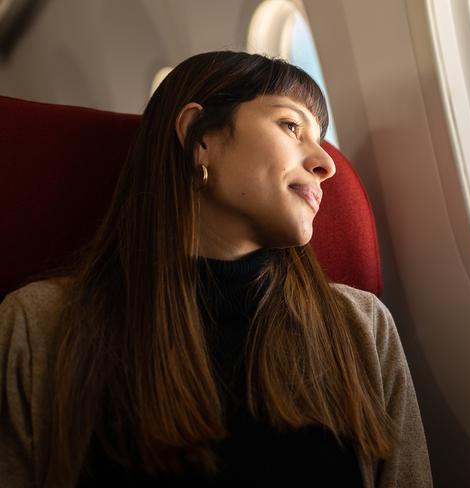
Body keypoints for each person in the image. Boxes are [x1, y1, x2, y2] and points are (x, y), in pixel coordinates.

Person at [0, 51, 433, 487]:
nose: (327, 165)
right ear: (199, 137)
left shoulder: (362, 326)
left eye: (320, 138)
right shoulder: (37, 328)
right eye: (291, 126)